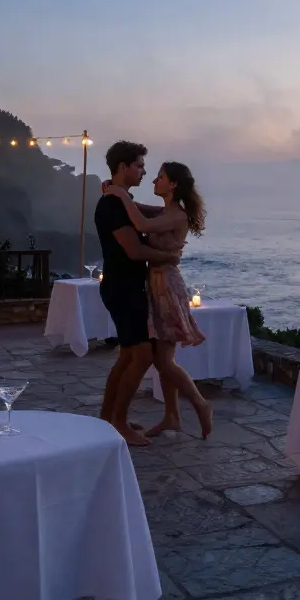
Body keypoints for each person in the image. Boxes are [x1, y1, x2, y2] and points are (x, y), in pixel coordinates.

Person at [103, 161, 213, 439]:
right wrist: (120, 194)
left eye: (160, 177)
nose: (154, 180)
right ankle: (171, 416)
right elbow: (140, 210)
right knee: (164, 357)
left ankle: (200, 404)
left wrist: (121, 194)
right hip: (156, 284)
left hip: (166, 286)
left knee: (163, 361)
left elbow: (141, 223)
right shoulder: (167, 211)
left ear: (173, 184)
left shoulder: (176, 216)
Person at [94, 141, 182, 447]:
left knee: (128, 355)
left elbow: (149, 215)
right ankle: (119, 423)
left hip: (126, 286)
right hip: (122, 287)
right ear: (123, 167)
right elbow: (134, 251)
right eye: (140, 166)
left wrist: (178, 214)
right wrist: (168, 257)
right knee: (142, 355)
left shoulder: (122, 200)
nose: (144, 172)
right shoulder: (113, 205)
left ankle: (108, 417)